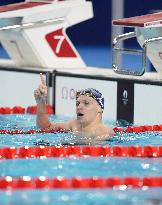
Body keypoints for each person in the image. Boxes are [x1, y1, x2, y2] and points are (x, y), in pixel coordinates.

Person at [34, 73, 114, 144]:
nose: (79, 107)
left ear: (100, 108)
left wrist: (59, 144)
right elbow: (45, 128)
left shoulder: (104, 132)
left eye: (86, 103)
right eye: (77, 103)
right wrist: (41, 102)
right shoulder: (73, 125)